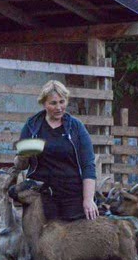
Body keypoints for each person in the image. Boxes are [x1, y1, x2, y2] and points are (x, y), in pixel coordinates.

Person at [15, 80, 99, 221]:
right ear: (44, 103)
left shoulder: (76, 127)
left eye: (62, 101)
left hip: (72, 194)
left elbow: (88, 165)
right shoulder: (32, 126)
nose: (59, 107)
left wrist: (88, 199)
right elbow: (20, 165)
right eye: (53, 103)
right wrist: (23, 156)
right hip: (41, 196)